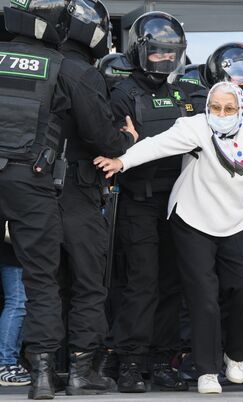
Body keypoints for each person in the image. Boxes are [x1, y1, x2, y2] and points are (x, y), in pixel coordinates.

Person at [94, 81, 243, 394]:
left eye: (229, 108)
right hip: (191, 218)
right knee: (204, 295)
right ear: (208, 107)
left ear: (241, 109)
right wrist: (121, 161)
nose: (221, 113)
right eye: (216, 107)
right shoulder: (193, 127)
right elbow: (156, 145)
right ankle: (207, 370)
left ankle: (235, 356)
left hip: (232, 221)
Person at [104, 11, 204, 393]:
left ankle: (163, 358)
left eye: (171, 52)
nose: (165, 58)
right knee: (142, 283)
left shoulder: (185, 91)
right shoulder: (123, 91)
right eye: (159, 51)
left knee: (172, 282)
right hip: (138, 201)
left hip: (180, 202)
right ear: (141, 51)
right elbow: (112, 143)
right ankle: (130, 360)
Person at [55, 0, 139, 395]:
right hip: (77, 186)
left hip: (31, 189)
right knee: (89, 283)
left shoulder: (38, 64)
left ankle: (44, 368)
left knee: (46, 282)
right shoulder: (82, 73)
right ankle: (80, 369)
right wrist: (127, 140)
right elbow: (103, 137)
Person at [0, 0, 72, 398]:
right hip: (30, 179)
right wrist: (122, 143)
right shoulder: (59, 65)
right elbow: (94, 126)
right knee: (41, 280)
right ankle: (42, 374)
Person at [0, 231, 30, 386]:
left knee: (17, 303)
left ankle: (9, 362)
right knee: (17, 302)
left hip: (10, 249)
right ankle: (6, 364)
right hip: (13, 250)